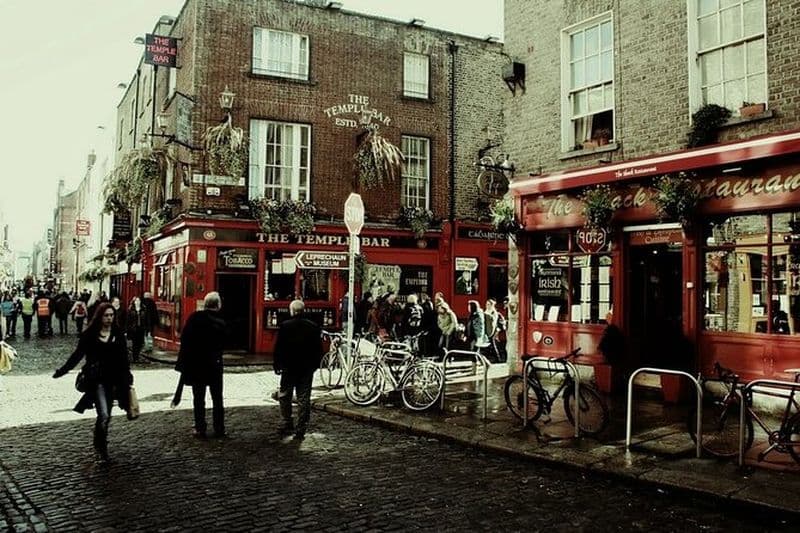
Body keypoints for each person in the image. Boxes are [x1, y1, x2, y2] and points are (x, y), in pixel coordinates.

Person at [52, 303, 133, 462]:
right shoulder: (89, 335)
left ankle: (99, 441)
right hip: (96, 381)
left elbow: (124, 358)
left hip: (113, 380)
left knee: (107, 414)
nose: (109, 318)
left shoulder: (117, 333)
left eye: (111, 315)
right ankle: (101, 449)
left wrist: (128, 377)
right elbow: (77, 355)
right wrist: (63, 370)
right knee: (103, 414)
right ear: (99, 316)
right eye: (106, 315)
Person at [175, 292, 227, 438]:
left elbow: (185, 340)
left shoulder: (194, 318)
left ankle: (200, 427)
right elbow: (224, 342)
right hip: (214, 365)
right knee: (217, 398)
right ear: (218, 305)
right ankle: (219, 428)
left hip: (197, 365)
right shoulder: (221, 322)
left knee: (199, 398)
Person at [273, 299, 323, 440]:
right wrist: (315, 365)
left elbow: (279, 348)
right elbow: (318, 349)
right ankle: (301, 428)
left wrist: (277, 365)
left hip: (289, 367)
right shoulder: (313, 326)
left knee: (285, 395)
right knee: (304, 398)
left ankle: (287, 421)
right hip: (306, 368)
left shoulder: (285, 326)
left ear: (292, 311)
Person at [126, 297, 148, 363]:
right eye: (136, 301)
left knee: (140, 343)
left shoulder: (144, 309)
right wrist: (128, 329)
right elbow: (128, 320)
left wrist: (147, 328)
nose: (138, 302)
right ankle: (135, 357)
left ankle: (137, 355)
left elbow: (146, 319)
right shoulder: (130, 309)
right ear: (134, 302)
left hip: (141, 328)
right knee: (135, 343)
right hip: (134, 329)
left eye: (139, 300)